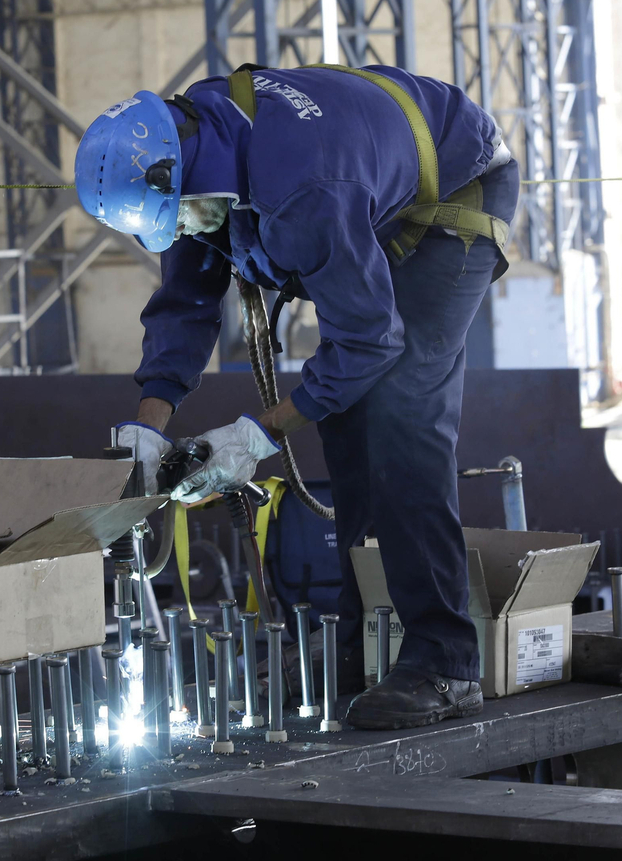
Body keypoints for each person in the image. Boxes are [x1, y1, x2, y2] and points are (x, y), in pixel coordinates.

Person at [75, 64, 519, 730]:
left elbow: (369, 344)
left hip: (452, 194)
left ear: (191, 177)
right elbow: (186, 306)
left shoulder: (303, 186)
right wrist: (147, 427)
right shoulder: (190, 151)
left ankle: (445, 661)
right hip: (367, 187)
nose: (188, 229)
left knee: (401, 418)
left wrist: (253, 437)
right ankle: (360, 646)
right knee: (343, 422)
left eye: (184, 216)